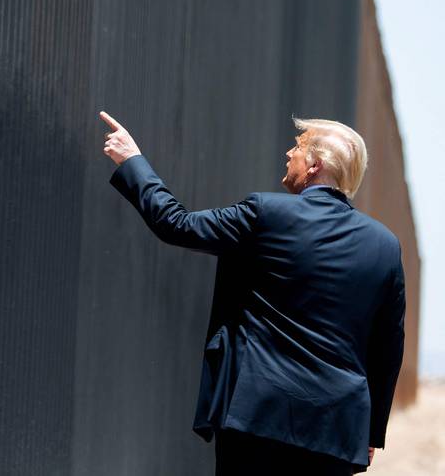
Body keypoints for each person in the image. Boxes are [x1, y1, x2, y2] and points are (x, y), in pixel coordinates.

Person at [99, 111, 405, 475]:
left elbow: (177, 224)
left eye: (297, 147)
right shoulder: (385, 246)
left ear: (315, 165)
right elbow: (388, 347)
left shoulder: (266, 213)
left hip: (257, 416)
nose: (288, 154)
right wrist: (370, 432)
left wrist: (132, 160)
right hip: (335, 429)